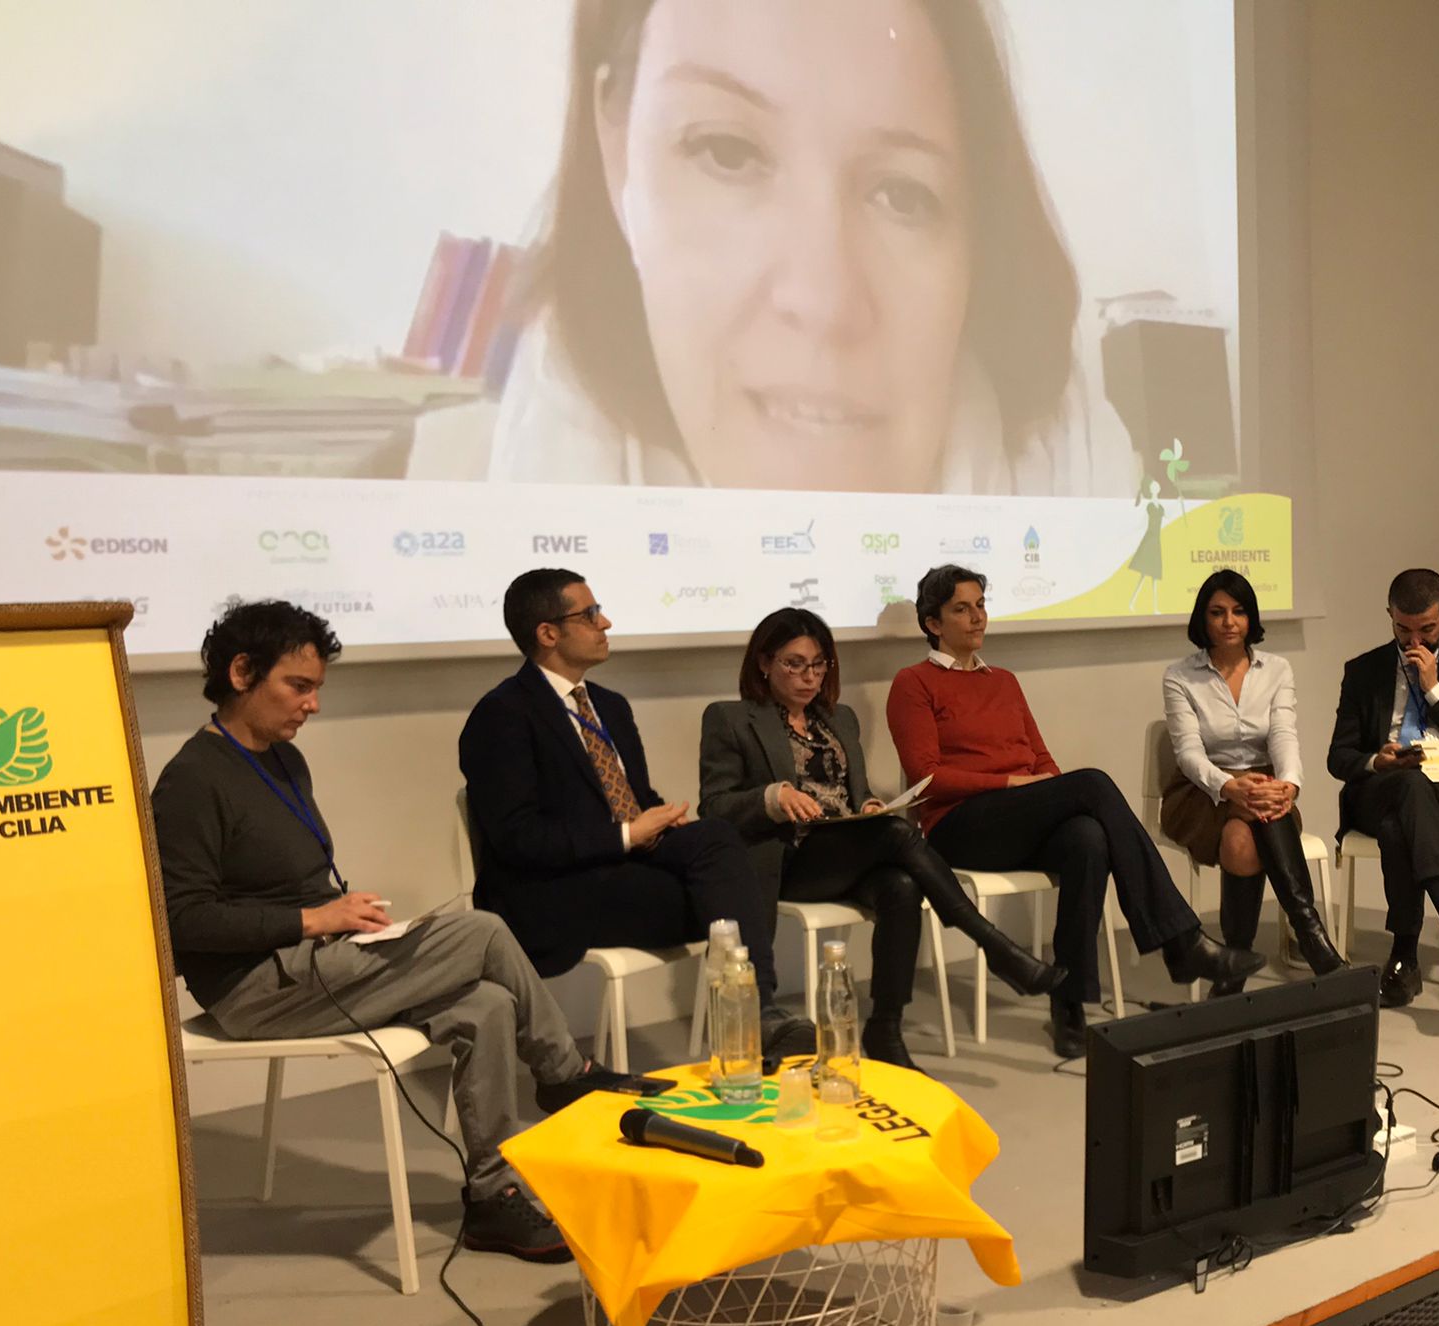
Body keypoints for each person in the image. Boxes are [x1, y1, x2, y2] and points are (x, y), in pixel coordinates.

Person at [486, 0, 1132, 495]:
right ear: (618, 153)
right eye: (728, 151)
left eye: (903, 195)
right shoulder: (506, 515)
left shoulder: (1093, 489)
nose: (824, 300)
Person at [153, 601, 629, 1264]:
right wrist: (313, 920)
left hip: (318, 963)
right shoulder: (192, 780)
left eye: (317, 688)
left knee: (488, 1005)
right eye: (298, 686)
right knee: (484, 931)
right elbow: (181, 921)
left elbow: (288, 881)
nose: (313, 705)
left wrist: (340, 910)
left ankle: (492, 1197)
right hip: (257, 990)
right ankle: (564, 1073)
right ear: (241, 673)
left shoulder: (284, 762)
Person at [887, 565, 1264, 1058]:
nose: (978, 617)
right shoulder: (913, 683)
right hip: (959, 825)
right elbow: (926, 777)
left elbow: (1041, 758)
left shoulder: (1003, 681)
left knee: (1086, 835)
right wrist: (1011, 783)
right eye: (962, 609)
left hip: (1016, 816)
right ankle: (1181, 942)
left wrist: (1047, 792)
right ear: (933, 623)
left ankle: (1070, 1003)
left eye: (981, 605)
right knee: (1092, 784)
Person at [698, 608, 1066, 1071]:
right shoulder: (730, 718)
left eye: (819, 665)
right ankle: (995, 947)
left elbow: (852, 792)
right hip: (787, 858)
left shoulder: (839, 719)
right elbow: (715, 805)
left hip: (845, 848)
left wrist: (870, 804)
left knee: (901, 885)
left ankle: (885, 1027)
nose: (809, 677)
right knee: (896, 834)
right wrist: (773, 797)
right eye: (795, 664)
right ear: (764, 663)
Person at [458, 568, 807, 1048]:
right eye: (590, 614)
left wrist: (661, 822)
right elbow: (517, 837)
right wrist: (626, 835)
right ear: (548, 633)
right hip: (552, 889)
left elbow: (635, 799)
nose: (606, 623)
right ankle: (752, 1021)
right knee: (722, 901)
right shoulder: (502, 715)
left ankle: (758, 1012)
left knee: (718, 840)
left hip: (625, 863)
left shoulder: (609, 706)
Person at [1326, 568, 1439, 1007]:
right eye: (1402, 629)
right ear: (1390, 616)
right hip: (1382, 788)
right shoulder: (1364, 670)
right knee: (1409, 783)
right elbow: (1338, 757)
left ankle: (1404, 956)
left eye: (1426, 629)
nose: (1414, 641)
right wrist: (1377, 760)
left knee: (1400, 827)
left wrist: (1434, 690)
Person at [1160, 568, 1344, 995]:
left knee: (1244, 841)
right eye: (1217, 612)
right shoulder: (1180, 676)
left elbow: (1283, 735)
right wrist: (1228, 786)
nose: (1229, 622)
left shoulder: (1276, 669)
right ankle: (1312, 936)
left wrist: (1289, 785)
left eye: (1239, 611)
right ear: (1202, 618)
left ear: (1251, 617)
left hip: (1263, 786)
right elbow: (1188, 753)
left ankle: (1235, 962)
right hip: (1200, 792)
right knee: (1259, 807)